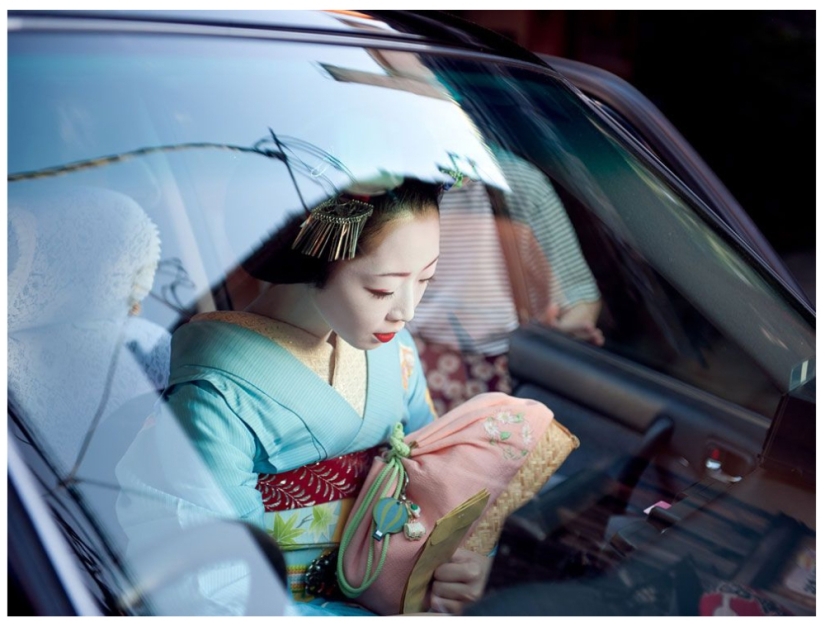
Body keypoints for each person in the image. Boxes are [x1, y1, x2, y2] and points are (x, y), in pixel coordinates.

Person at [115, 177, 491, 616]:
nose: (406, 310)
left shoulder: (397, 353)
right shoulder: (214, 400)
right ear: (317, 253)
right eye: (382, 290)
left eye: (425, 279)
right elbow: (221, 589)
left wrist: (454, 564)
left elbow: (440, 477)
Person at [408, 149, 604, 415]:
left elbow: (578, 297)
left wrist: (560, 335)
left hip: (509, 367)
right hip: (408, 364)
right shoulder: (377, 184)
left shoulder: (513, 182)